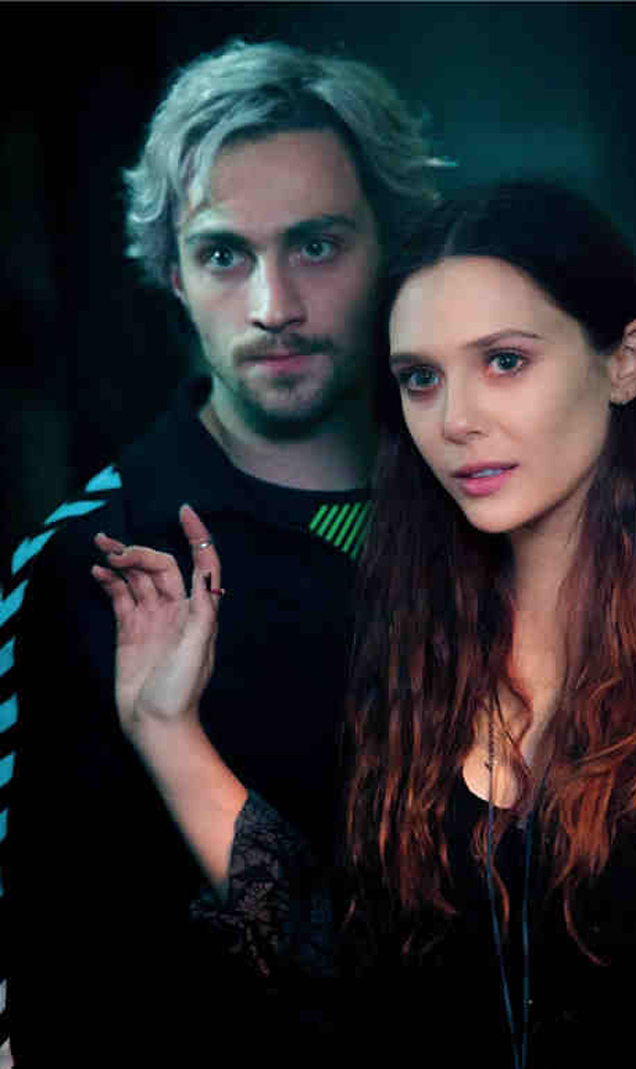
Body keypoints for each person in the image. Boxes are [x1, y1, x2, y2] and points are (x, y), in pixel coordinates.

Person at [92, 181, 636, 1068]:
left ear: (625, 361)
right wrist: (165, 726)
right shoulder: (407, 637)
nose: (455, 421)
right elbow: (355, 987)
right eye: (420, 378)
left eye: (503, 360)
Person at [2, 38, 445, 1067]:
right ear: (172, 270)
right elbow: (43, 973)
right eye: (223, 255)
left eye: (316, 245)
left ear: (391, 246)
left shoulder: (491, 511)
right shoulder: (88, 565)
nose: (272, 306)